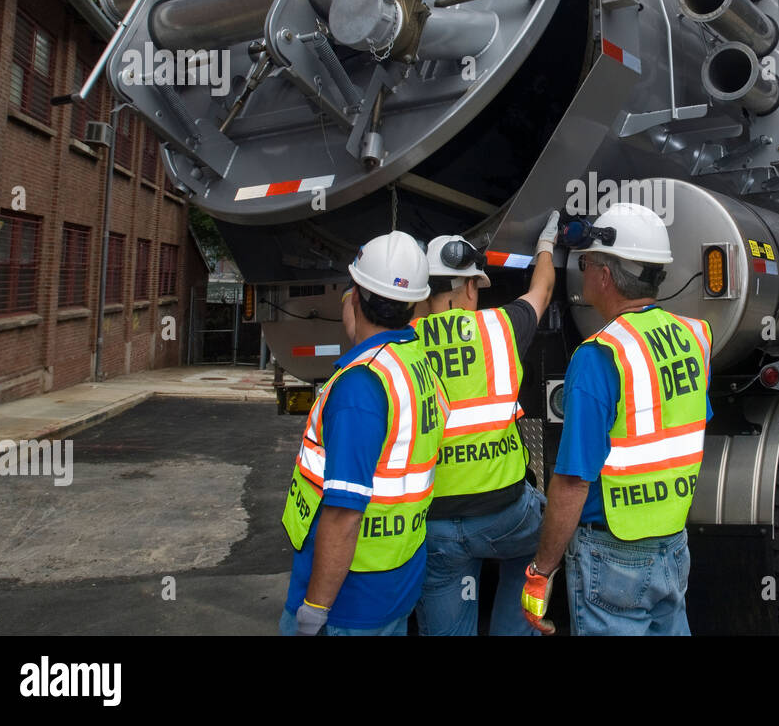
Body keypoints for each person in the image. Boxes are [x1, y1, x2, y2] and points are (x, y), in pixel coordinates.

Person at [522, 202, 712, 636]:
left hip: (612, 553)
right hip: (672, 543)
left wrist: (541, 569)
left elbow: (572, 481)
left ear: (605, 275)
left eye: (585, 261)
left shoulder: (598, 356)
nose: (583, 270)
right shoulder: (694, 337)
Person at [279, 231, 446, 636]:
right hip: (393, 582)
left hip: (347, 603)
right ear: (415, 306)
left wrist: (314, 610)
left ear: (355, 295)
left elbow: (342, 514)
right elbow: (368, 336)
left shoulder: (360, 387)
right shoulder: (413, 361)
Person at [412, 212, 560, 636]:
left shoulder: (401, 340)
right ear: (472, 286)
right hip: (506, 516)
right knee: (542, 545)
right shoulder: (501, 327)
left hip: (432, 521)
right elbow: (543, 288)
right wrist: (545, 246)